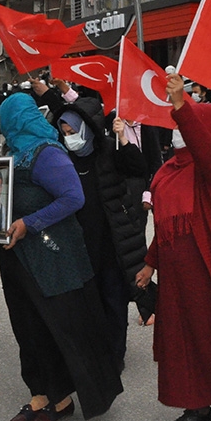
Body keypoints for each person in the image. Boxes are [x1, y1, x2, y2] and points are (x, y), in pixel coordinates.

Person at [0, 93, 122, 421]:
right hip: (17, 256)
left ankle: (62, 397)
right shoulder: (13, 151)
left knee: (57, 327)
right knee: (28, 326)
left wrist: (28, 223)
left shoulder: (47, 153)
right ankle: (39, 392)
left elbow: (73, 198)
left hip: (51, 256)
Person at [135, 73, 211, 421]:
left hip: (208, 267)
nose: (178, 129)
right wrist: (151, 261)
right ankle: (196, 408)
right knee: (180, 338)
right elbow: (163, 221)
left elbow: (202, 146)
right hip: (175, 272)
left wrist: (184, 107)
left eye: (188, 123)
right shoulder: (169, 169)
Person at [53, 97, 151, 370]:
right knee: (87, 300)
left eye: (73, 131)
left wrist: (123, 137)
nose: (69, 138)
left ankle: (115, 354)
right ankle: (93, 351)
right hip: (80, 241)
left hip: (110, 239)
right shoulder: (63, 156)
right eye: (65, 133)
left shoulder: (110, 149)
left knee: (113, 298)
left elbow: (138, 167)